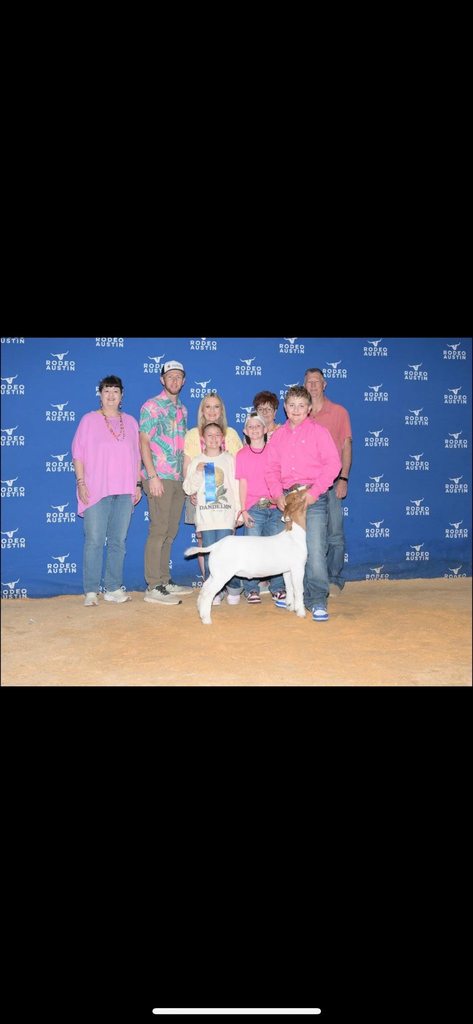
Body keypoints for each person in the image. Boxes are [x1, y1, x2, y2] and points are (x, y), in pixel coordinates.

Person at [265, 385, 341, 622]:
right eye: (291, 405)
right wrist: (278, 494)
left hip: (312, 498)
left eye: (301, 406)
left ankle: (317, 599)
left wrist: (315, 492)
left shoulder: (319, 432)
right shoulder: (278, 436)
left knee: (316, 548)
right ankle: (291, 595)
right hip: (288, 498)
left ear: (309, 408)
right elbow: (271, 468)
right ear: (285, 408)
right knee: (286, 549)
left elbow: (333, 465)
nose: (296, 410)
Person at [71, 375, 142, 606]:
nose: (111, 395)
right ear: (100, 394)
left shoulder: (131, 422)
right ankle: (91, 591)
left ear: (122, 396)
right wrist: (81, 482)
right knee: (93, 540)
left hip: (124, 490)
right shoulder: (88, 420)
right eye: (106, 391)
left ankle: (112, 587)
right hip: (96, 489)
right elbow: (78, 454)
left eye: (115, 391)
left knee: (118, 541)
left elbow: (137, 457)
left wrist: (138, 484)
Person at [139, 360, 194, 604]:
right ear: (162, 380)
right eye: (169, 376)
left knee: (170, 532)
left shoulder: (183, 409)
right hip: (159, 477)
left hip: (177, 479)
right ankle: (153, 586)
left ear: (183, 381)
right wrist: (152, 476)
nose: (174, 380)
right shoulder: (151, 406)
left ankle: (164, 580)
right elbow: (144, 442)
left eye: (178, 377)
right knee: (158, 530)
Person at [183, 392, 243, 576]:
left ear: (221, 410)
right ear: (202, 410)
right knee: (205, 542)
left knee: (226, 543)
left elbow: (238, 471)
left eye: (216, 406)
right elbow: (188, 467)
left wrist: (238, 507)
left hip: (225, 501)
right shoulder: (192, 434)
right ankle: (209, 582)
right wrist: (191, 493)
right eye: (207, 406)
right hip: (200, 494)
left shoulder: (231, 434)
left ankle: (227, 583)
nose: (212, 411)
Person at [304, 367, 352, 596]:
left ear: (325, 385)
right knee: (308, 534)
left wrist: (344, 477)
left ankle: (334, 578)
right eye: (309, 382)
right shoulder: (301, 413)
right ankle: (309, 578)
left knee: (334, 533)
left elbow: (346, 446)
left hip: (332, 482)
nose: (313, 385)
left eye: (317, 381)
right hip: (306, 485)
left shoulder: (339, 412)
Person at [235, 412, 287, 606]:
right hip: (254, 508)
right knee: (252, 550)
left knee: (276, 550)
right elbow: (243, 483)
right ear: (245, 431)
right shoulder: (241, 455)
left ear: (266, 429)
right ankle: (251, 589)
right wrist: (243, 509)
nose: (255, 430)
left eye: (259, 426)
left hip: (275, 507)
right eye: (251, 426)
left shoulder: (275, 451)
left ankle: (278, 587)